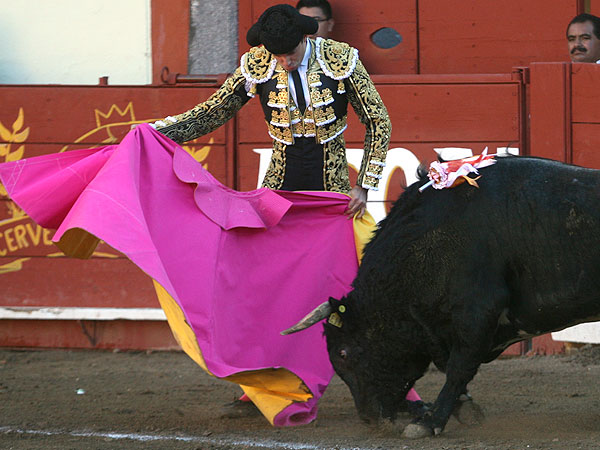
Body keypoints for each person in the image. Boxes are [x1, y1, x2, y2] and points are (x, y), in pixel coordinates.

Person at [151, 3, 392, 418]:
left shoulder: (341, 60)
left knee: (360, 284)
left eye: (290, 53)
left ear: (306, 37)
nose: (282, 62)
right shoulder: (257, 64)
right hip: (280, 190)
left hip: (333, 193)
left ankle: (387, 383)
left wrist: (365, 184)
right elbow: (213, 112)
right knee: (266, 285)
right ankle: (264, 385)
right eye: (276, 55)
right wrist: (159, 132)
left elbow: (378, 120)